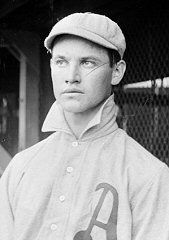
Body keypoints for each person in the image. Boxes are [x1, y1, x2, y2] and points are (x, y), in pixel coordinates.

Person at [0, 12, 169, 240]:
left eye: (87, 62)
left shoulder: (149, 175)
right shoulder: (20, 167)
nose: (71, 76)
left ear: (116, 71)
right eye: (61, 61)